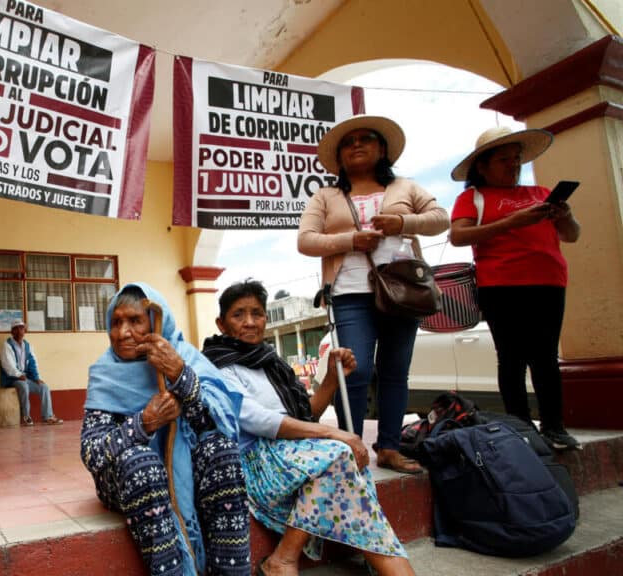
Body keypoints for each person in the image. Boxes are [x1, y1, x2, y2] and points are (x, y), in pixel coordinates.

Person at [203, 280, 413, 576]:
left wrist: (331, 379)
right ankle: (285, 558)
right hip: (258, 461)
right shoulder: (218, 367)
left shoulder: (272, 363)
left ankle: (375, 557)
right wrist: (334, 432)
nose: (249, 322)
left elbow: (307, 414)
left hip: (290, 454)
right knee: (339, 455)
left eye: (257, 313)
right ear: (221, 324)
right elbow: (257, 420)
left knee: (350, 460)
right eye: (238, 314)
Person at [297, 115, 449, 474]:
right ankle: (349, 447)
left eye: (366, 139)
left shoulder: (405, 186)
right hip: (349, 293)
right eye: (348, 142)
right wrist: (351, 240)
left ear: (382, 149)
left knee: (395, 371)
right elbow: (305, 240)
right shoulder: (326, 196)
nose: (357, 145)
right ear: (339, 156)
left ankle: (390, 448)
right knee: (355, 368)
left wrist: (403, 223)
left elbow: (441, 218)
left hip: (403, 291)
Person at [81, 283, 250, 576]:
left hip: (185, 472)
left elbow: (217, 424)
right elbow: (92, 453)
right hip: (126, 479)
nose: (123, 333)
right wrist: (143, 424)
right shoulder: (105, 373)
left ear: (156, 323)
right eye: (116, 322)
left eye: (135, 321)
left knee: (221, 450)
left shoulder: (183, 357)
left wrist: (180, 375)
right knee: (142, 463)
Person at [448, 127, 582, 451]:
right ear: (483, 167)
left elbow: (572, 235)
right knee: (511, 357)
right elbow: (458, 236)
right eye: (504, 160)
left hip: (549, 281)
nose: (514, 165)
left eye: (517, 159)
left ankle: (554, 426)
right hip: (500, 284)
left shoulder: (542, 192)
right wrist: (512, 222)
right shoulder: (473, 198)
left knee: (546, 356)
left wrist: (565, 216)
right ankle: (520, 427)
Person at [0, 320, 62, 425]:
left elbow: (32, 363)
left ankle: (48, 416)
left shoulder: (27, 346)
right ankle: (26, 416)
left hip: (25, 378)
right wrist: (19, 375)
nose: (19, 331)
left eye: (21, 328)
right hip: (11, 379)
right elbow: (7, 365)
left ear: (25, 331)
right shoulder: (7, 346)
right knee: (24, 386)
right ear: (12, 332)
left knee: (44, 387)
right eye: (16, 329)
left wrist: (36, 378)